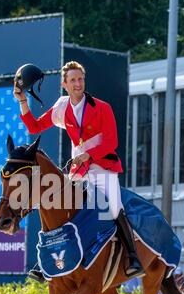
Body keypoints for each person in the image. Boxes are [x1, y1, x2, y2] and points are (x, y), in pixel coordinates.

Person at [14, 60, 145, 281]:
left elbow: (111, 142)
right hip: (79, 168)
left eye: (80, 79)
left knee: (113, 206)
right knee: (55, 202)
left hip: (102, 166)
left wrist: (89, 155)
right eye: (73, 80)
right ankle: (44, 261)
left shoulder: (102, 107)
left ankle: (133, 258)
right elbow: (34, 127)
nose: (78, 83)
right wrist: (23, 101)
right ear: (64, 84)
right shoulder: (62, 107)